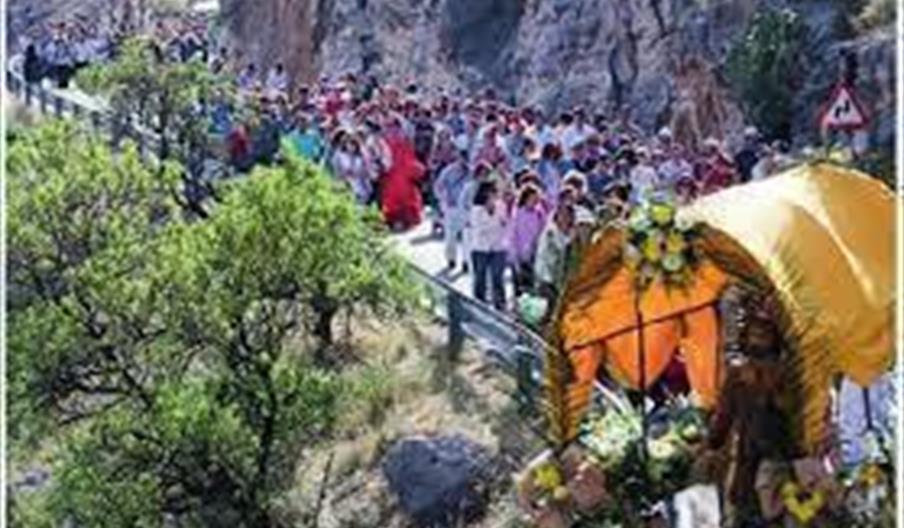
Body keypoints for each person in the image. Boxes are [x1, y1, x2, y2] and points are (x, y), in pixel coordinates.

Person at [379, 117, 426, 230]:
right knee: (391, 199)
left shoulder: (405, 144)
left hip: (403, 175)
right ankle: (393, 221)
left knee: (406, 196)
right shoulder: (383, 144)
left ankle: (405, 220)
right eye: (389, 127)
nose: (392, 130)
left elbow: (410, 158)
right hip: (391, 176)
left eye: (395, 127)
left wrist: (415, 169)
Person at [469, 181, 509, 310]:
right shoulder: (476, 210)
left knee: (497, 275)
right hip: (481, 247)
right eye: (493, 192)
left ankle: (500, 303)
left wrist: (499, 223)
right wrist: (496, 223)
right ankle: (479, 302)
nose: (496, 195)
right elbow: (479, 228)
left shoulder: (501, 206)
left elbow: (505, 223)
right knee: (480, 275)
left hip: (498, 246)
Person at [433, 150, 473, 272]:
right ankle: (451, 259)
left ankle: (466, 261)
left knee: (467, 237)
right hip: (452, 208)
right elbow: (438, 186)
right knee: (451, 237)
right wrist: (443, 202)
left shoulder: (471, 172)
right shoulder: (448, 171)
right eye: (461, 158)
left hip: (466, 210)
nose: (463, 162)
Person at [534, 203, 575, 314]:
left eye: (568, 216)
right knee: (548, 306)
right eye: (562, 215)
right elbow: (559, 247)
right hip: (546, 275)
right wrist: (571, 238)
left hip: (556, 278)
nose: (565, 219)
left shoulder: (565, 232)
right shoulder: (551, 231)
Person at [508, 184, 547, 297]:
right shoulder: (518, 213)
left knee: (532, 284)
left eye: (536, 199)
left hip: (534, 253)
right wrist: (515, 255)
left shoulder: (539, 213)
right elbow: (513, 235)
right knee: (519, 284)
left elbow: (543, 230)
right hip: (519, 254)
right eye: (532, 199)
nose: (535, 202)